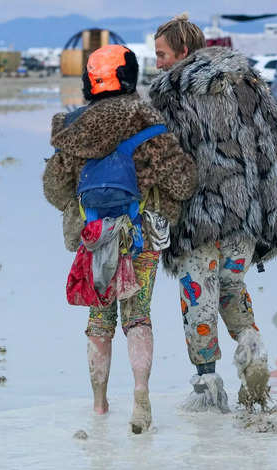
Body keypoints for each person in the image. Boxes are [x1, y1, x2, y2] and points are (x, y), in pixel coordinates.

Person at [43, 45, 197, 433]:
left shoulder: (73, 127)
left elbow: (54, 189)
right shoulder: (147, 120)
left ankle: (98, 406)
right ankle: (141, 397)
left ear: (89, 81)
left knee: (99, 320)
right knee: (138, 315)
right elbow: (183, 181)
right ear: (128, 77)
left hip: (92, 238)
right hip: (140, 235)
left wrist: (84, 213)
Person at [148, 15, 277, 410]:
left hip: (198, 219)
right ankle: (253, 352)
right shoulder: (250, 83)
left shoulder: (172, 93)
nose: (157, 63)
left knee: (198, 299)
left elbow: (164, 162)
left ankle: (208, 387)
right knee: (231, 290)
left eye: (161, 54)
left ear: (183, 52)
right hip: (247, 214)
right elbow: (272, 142)